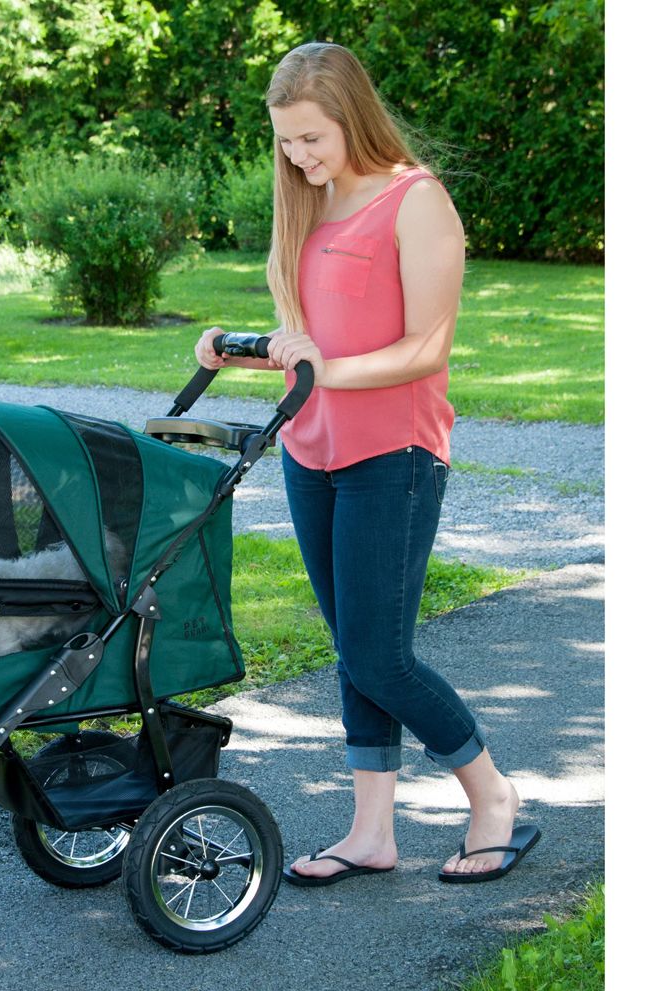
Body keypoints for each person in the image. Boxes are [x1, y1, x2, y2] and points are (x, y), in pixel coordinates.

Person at [194, 42, 540, 885]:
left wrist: (319, 370)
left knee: (380, 655)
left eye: (312, 138)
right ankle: (371, 832)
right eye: (286, 142)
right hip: (313, 450)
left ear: (351, 115)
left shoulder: (414, 201)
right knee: (354, 647)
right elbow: (318, 337)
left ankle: (492, 798)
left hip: (398, 453)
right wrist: (238, 351)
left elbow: (426, 348)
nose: (299, 156)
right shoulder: (306, 207)